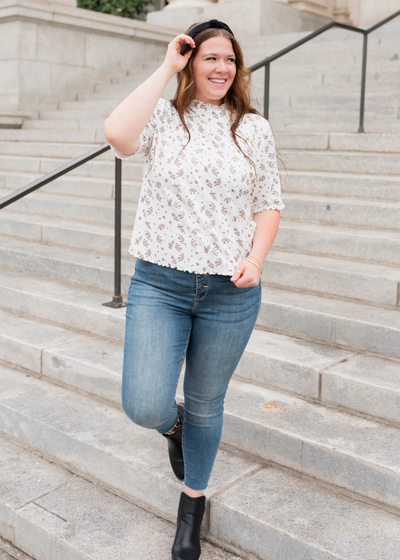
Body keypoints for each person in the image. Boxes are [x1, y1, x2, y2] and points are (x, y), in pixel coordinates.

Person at [104, 18, 284, 560]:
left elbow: (268, 203)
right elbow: (117, 134)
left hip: (230, 293)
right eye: (210, 57)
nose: (222, 68)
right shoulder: (162, 117)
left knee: (208, 403)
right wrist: (166, 66)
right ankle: (173, 425)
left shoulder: (253, 128)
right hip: (160, 284)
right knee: (143, 403)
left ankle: (192, 505)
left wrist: (256, 258)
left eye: (230, 59)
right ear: (190, 60)